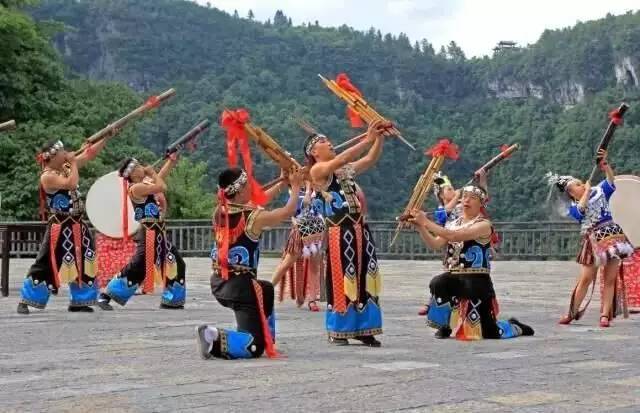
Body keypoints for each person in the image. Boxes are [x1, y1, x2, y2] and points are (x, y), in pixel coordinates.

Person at [196, 167, 304, 360]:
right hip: (241, 287)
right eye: (248, 185)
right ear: (239, 191)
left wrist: (281, 182)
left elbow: (259, 200)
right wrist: (295, 187)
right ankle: (212, 335)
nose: (252, 188)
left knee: (266, 289)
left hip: (220, 281)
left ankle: (265, 337)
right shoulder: (253, 218)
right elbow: (286, 212)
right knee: (254, 346)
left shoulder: (220, 211)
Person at [406, 184, 534, 340]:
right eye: (465, 197)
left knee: (490, 333)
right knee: (438, 282)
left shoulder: (484, 225)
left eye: (472, 198)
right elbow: (435, 244)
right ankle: (445, 326)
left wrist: (425, 221)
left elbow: (454, 236)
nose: (466, 200)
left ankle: (514, 326)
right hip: (454, 277)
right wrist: (420, 227)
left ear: (481, 203)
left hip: (477, 281)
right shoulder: (453, 223)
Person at [305, 120, 388, 347]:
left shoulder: (342, 170)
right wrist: (367, 138)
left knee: (365, 277)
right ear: (314, 152)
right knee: (342, 278)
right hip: (338, 232)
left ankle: (364, 328)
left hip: (360, 229)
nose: (329, 143)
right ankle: (339, 330)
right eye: (323, 142)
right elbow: (342, 159)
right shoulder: (317, 171)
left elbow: (369, 160)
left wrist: (378, 139)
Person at [17, 138, 107, 314]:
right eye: (62, 152)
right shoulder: (47, 176)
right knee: (46, 262)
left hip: (77, 224)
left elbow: (89, 154)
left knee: (85, 260)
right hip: (60, 226)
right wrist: (73, 162)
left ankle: (80, 301)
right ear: (52, 156)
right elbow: (70, 184)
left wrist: (106, 136)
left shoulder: (65, 167)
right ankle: (26, 299)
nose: (65, 153)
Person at [548, 150, 634, 327]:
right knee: (586, 278)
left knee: (610, 278)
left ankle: (605, 315)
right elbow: (581, 211)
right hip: (593, 242)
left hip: (612, 236)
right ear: (570, 193)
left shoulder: (600, 190)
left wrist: (606, 166)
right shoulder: (573, 207)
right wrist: (586, 191)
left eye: (580, 183)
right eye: (576, 186)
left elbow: (611, 181)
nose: (580, 185)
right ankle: (572, 312)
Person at [97, 156, 186, 310]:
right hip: (149, 233)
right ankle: (105, 296)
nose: (141, 167)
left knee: (176, 263)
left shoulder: (143, 184)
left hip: (157, 232)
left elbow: (160, 177)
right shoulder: (136, 188)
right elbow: (161, 186)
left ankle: (171, 300)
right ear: (132, 173)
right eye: (138, 166)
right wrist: (152, 172)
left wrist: (171, 161)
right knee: (138, 267)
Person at [272, 182, 325, 311]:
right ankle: (266, 289)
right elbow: (291, 210)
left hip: (316, 230)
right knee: (286, 263)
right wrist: (306, 191)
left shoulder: (318, 189)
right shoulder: (294, 191)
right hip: (300, 230)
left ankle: (312, 299)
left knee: (314, 266)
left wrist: (309, 190)